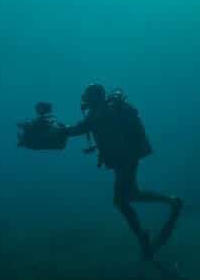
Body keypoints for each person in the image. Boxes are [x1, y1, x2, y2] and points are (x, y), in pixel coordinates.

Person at [61, 84, 184, 261]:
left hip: (125, 159)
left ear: (95, 98)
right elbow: (80, 128)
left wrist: (60, 131)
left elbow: (81, 128)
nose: (84, 101)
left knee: (121, 200)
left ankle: (146, 233)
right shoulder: (98, 113)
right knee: (131, 195)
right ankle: (169, 205)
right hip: (124, 159)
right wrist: (63, 130)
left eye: (87, 97)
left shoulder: (103, 113)